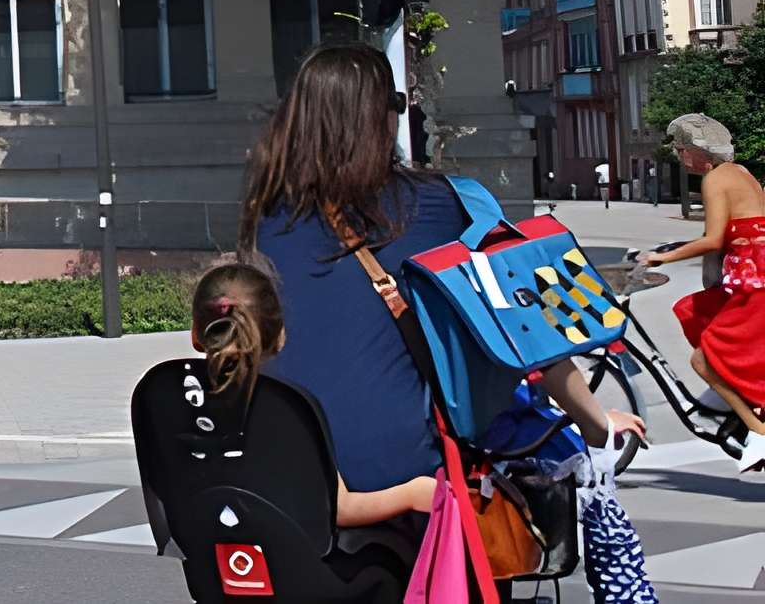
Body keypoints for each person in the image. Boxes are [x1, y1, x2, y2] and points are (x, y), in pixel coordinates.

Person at [242, 45, 639, 499]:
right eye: (394, 104)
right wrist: (597, 424)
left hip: (283, 461)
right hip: (398, 467)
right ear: (378, 117)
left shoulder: (268, 214)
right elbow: (528, 325)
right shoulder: (439, 202)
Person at [190, 262, 438, 525]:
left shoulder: (176, 400)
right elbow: (341, 509)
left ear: (196, 334)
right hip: (289, 559)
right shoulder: (286, 407)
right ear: (280, 334)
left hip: (212, 553)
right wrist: (413, 493)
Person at [637, 112, 765, 467]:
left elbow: (712, 239)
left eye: (681, 149)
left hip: (753, 281)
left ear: (699, 151)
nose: (679, 156)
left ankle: (759, 431)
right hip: (752, 274)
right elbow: (736, 231)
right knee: (692, 311)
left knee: (702, 359)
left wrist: (665, 258)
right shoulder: (740, 173)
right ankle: (733, 398)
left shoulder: (715, 180)